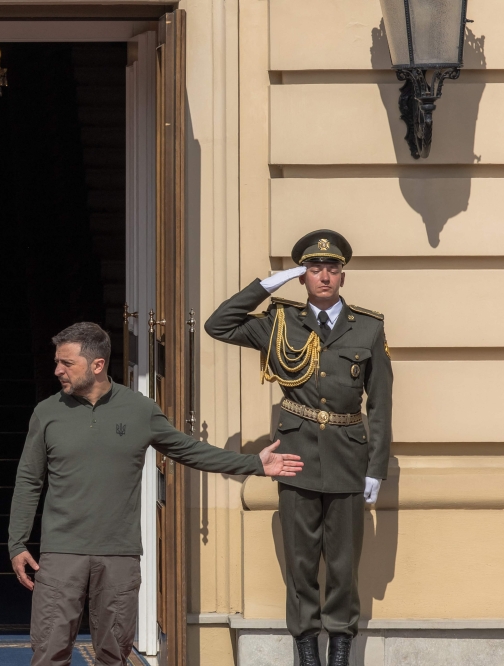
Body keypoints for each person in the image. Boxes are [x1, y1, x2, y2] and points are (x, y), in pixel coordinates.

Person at [8, 322, 303, 666]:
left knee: (113, 654)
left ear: (98, 365)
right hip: (60, 554)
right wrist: (17, 542)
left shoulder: (139, 410)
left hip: (118, 554)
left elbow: (189, 450)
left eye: (67, 363)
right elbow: (29, 479)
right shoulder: (47, 412)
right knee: (48, 652)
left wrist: (254, 464)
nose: (58, 370)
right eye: (57, 362)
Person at [204, 229, 393, 666]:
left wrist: (375, 467)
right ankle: (306, 650)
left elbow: (380, 404)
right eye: (313, 269)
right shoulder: (280, 322)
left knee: (344, 567)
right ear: (302, 276)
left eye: (332, 268)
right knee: (301, 562)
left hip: (349, 457)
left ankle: (340, 649)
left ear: (342, 276)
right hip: (296, 456)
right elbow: (219, 324)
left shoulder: (367, 326)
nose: (323, 276)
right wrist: (268, 284)